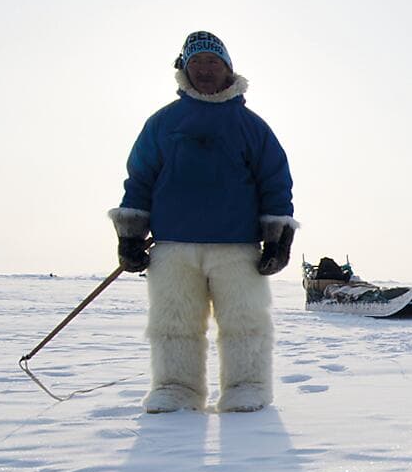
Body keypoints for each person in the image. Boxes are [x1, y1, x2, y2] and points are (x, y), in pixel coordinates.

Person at [108, 31, 298, 413]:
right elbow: (140, 178)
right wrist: (130, 236)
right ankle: (176, 388)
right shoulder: (162, 123)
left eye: (213, 63)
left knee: (244, 321)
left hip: (237, 246)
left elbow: (275, 181)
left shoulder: (251, 127)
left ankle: (248, 387)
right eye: (197, 63)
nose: (205, 70)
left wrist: (278, 240)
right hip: (174, 247)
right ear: (184, 69)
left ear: (228, 68)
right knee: (173, 321)